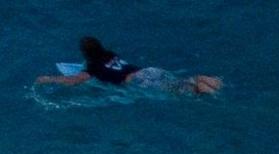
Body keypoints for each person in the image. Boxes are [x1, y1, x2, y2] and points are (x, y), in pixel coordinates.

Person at [39, 36, 220, 92]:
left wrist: (48, 79)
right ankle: (211, 81)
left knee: (182, 91)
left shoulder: (92, 67)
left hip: (139, 81)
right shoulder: (109, 53)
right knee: (181, 82)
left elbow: (74, 80)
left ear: (86, 54)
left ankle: (207, 90)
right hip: (147, 71)